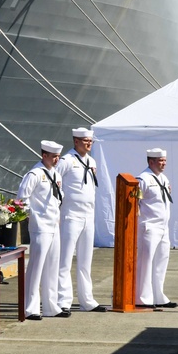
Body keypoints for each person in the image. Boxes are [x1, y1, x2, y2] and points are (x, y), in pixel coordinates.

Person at [56, 127, 106, 313]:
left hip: (88, 216)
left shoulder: (91, 161)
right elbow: (55, 182)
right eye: (85, 141)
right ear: (76, 141)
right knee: (65, 261)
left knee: (86, 261)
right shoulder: (67, 161)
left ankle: (87, 300)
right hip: (70, 216)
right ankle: (63, 300)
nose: (88, 143)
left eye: (90, 141)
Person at [18, 140, 68, 320]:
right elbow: (22, 198)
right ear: (44, 155)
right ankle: (30, 308)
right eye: (54, 156)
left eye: (58, 156)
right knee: (36, 267)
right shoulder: (35, 174)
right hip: (40, 226)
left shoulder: (56, 175)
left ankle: (50, 306)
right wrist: (32, 216)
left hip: (54, 225)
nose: (57, 159)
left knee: (52, 266)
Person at [136, 147, 177, 309]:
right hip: (149, 226)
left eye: (165, 160)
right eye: (160, 161)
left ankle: (158, 295)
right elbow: (135, 201)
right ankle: (143, 298)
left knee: (161, 262)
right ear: (151, 161)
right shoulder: (143, 179)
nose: (164, 163)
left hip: (163, 227)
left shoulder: (163, 179)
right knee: (145, 263)